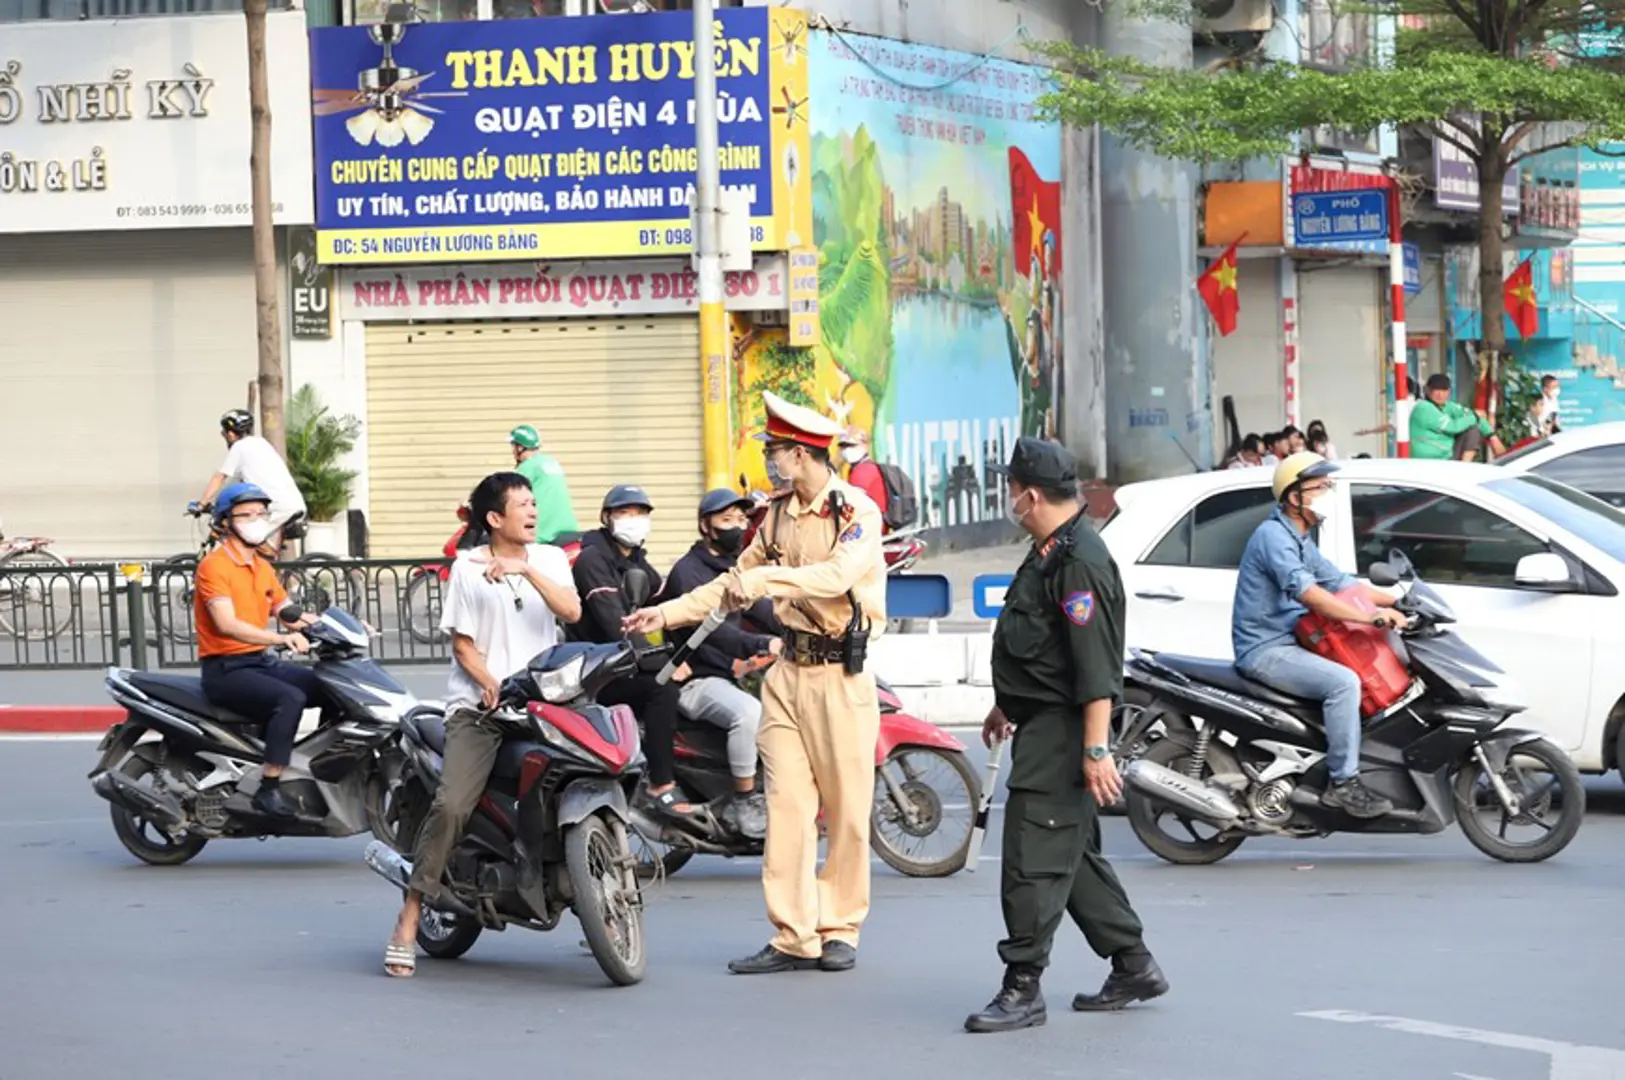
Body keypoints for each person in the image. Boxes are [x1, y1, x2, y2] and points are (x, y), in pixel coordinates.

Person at [624, 391, 886, 976]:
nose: (769, 459)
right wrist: (663, 615)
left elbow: (836, 575)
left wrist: (765, 577)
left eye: (775, 450)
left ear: (801, 454)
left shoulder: (855, 512)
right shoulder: (774, 516)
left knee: (845, 810)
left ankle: (839, 926)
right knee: (786, 807)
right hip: (788, 675)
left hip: (841, 674)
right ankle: (794, 934)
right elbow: (730, 584)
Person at [962, 437, 1165, 1034]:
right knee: (1068, 854)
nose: (1008, 498)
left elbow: (1094, 667)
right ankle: (1134, 963)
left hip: (1064, 730)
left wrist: (1096, 750)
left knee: (1032, 853)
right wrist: (1007, 704)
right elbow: (1042, 648)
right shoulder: (1049, 549)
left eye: (1010, 489)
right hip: (1041, 720)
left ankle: (1022, 987)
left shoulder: (1078, 560)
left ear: (1028, 495)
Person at [384, 471, 581, 979]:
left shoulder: (552, 559)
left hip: (543, 705)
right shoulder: (467, 569)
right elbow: (463, 647)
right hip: (482, 709)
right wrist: (489, 682)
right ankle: (409, 916)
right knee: (452, 804)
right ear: (495, 518)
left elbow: (572, 610)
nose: (533, 512)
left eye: (534, 503)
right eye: (522, 505)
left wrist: (524, 570)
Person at [1232, 452, 1409, 819]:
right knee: (1344, 683)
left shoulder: (1299, 537)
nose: (1327, 492)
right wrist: (1371, 616)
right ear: (1294, 497)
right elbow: (1312, 595)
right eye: (1319, 487)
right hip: (1266, 649)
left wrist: (1402, 601)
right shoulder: (1273, 538)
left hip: (1294, 641)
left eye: (1327, 485)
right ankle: (1342, 784)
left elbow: (1339, 583)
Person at [571, 484, 700, 828]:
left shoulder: (637, 561)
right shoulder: (592, 561)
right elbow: (618, 625)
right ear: (606, 518)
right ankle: (661, 783)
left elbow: (666, 606)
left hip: (624, 662)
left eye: (640, 513)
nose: (634, 520)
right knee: (662, 690)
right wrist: (667, 664)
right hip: (598, 673)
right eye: (624, 513)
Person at [660, 488, 786, 839]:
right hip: (695, 677)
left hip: (727, 672)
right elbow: (713, 634)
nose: (737, 526)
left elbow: (762, 609)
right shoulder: (689, 572)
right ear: (706, 526)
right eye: (726, 519)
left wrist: (798, 625)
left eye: (741, 519)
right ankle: (745, 799)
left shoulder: (733, 567)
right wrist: (762, 643)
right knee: (749, 714)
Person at [193, 483, 321, 820]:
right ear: (225, 522)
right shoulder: (214, 567)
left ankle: (310, 764)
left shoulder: (260, 565)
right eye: (246, 514)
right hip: (226, 669)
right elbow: (227, 624)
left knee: (326, 686)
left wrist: (336, 627)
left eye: (261, 513)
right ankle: (269, 787)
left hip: (258, 662)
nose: (257, 519)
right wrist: (280, 640)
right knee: (289, 698)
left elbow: (287, 610)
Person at [194, 410, 307, 553]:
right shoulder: (261, 443)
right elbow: (240, 483)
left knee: (242, 536)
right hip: (292, 505)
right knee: (251, 540)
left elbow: (220, 477)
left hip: (278, 509)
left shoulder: (239, 447)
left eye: (224, 433)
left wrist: (201, 504)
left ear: (230, 434)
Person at [509, 424, 580, 544]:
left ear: (520, 447)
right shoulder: (551, 462)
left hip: (545, 533)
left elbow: (509, 492)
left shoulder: (527, 467)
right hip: (569, 530)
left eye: (514, 446)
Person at [1409, 374, 1506, 461]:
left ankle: (1464, 465)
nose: (1440, 394)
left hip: (1446, 455)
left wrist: (1492, 436)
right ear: (1428, 390)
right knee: (1472, 427)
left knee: (1472, 424)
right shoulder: (1424, 408)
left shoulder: (1447, 406)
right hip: (1430, 460)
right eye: (1436, 390)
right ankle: (1463, 469)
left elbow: (1471, 414)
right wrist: (1475, 416)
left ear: (1449, 391)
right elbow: (1453, 427)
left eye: (1444, 390)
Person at [837, 427, 890, 527]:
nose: (846, 450)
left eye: (851, 445)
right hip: (870, 523)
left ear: (864, 446)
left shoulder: (863, 471)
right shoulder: (861, 468)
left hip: (870, 527)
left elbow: (852, 506)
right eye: (843, 446)